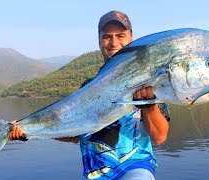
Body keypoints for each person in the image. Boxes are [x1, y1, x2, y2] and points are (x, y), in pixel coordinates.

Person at [10, 10, 170, 179]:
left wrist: (149, 106)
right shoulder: (88, 86)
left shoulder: (149, 82)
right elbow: (76, 135)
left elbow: (159, 137)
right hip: (94, 174)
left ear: (131, 39)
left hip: (136, 169)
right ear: (100, 41)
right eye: (107, 36)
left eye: (121, 35)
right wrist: (28, 131)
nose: (114, 42)